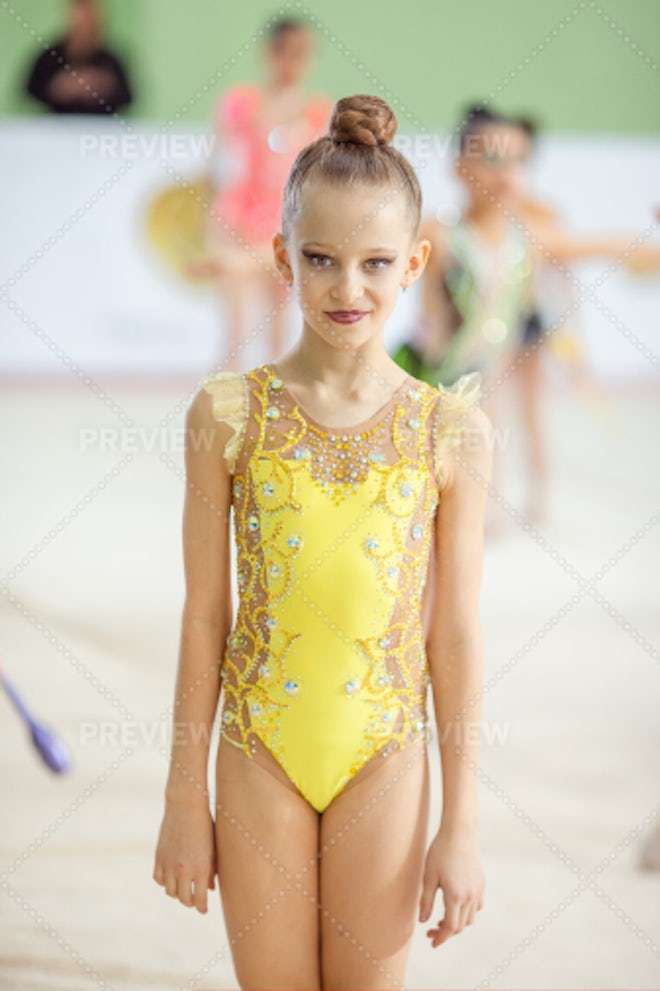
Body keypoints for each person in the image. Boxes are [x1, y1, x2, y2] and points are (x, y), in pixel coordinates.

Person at [153, 94, 493, 989]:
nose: (349, 288)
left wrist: (461, 824)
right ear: (281, 258)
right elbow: (203, 618)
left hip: (382, 751)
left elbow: (452, 637)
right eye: (321, 260)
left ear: (415, 262)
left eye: (377, 263)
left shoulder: (449, 432)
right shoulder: (227, 415)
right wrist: (184, 795)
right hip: (259, 744)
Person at [394, 104, 660, 528]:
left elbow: (614, 245)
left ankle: (511, 504)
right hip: (429, 379)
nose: (508, 171)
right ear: (460, 167)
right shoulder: (438, 233)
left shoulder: (532, 239)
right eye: (493, 158)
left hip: (485, 379)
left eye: (519, 160)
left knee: (492, 421)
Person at [192, 17, 332, 369]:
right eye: (284, 52)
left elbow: (321, 177)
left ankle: (272, 406)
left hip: (286, 221)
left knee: (279, 325)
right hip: (239, 215)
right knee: (236, 326)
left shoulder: (317, 113)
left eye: (301, 53)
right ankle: (228, 401)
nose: (291, 62)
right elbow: (215, 163)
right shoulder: (243, 103)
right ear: (269, 54)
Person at [24, 0, 132, 116]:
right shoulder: (49, 58)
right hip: (55, 129)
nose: (84, 23)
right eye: (81, 16)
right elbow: (29, 92)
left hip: (101, 129)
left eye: (89, 17)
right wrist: (58, 88)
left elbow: (127, 97)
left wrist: (103, 87)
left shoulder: (111, 60)